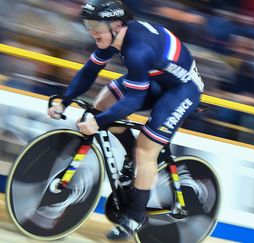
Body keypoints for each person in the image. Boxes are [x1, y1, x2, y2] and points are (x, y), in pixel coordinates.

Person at [48, 0, 204, 240]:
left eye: (95, 24)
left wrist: (98, 124)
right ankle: (131, 159)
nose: (91, 30)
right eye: (88, 23)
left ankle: (136, 216)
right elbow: (89, 71)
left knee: (146, 149)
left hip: (181, 90)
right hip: (156, 78)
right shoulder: (114, 37)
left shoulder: (137, 50)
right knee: (101, 105)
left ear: (117, 25)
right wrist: (65, 101)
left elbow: (133, 101)